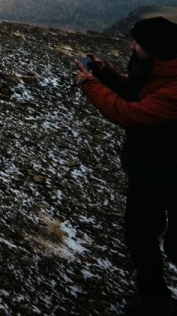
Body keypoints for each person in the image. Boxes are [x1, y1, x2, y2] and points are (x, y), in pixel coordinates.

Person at [77, 17, 177, 313]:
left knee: (170, 243)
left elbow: (131, 113)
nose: (132, 45)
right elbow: (135, 93)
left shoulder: (173, 87)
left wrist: (91, 86)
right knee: (140, 231)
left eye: (138, 43)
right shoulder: (155, 69)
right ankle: (153, 297)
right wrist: (105, 73)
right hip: (149, 170)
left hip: (168, 171)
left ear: (156, 49)